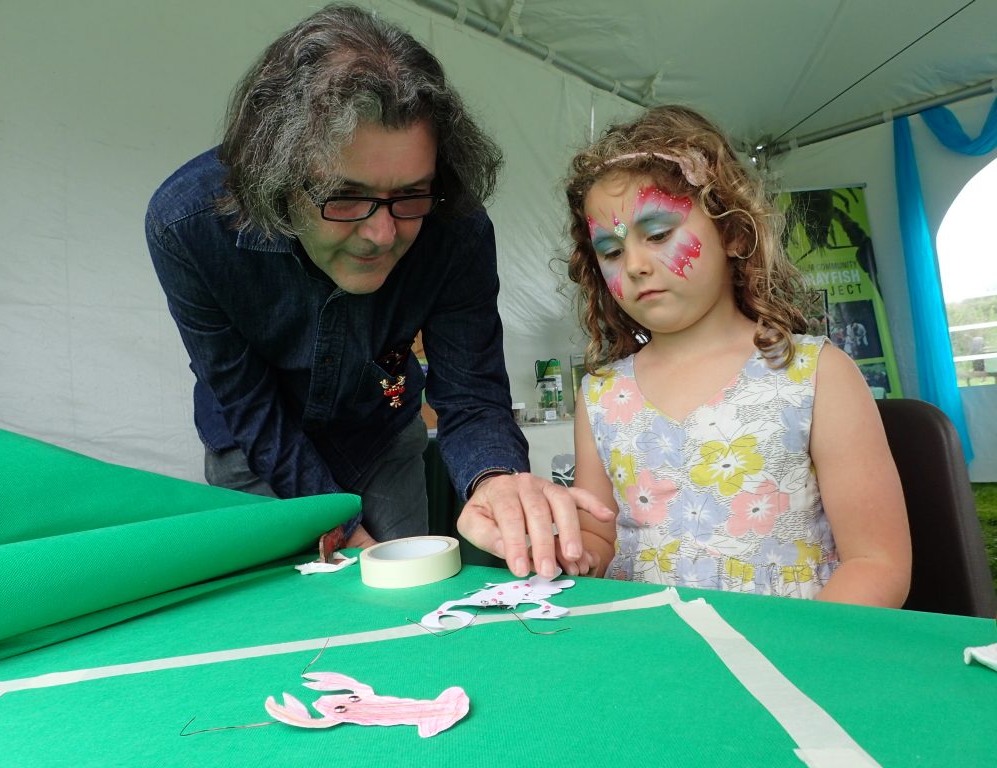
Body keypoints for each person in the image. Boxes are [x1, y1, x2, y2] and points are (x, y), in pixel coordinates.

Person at [146, 4, 611, 562]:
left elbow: (470, 392)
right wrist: (340, 527)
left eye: (411, 194)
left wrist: (495, 479)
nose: (382, 233)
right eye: (345, 196)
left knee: (406, 610)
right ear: (277, 181)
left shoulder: (455, 227)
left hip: (383, 435)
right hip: (254, 448)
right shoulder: (188, 226)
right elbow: (247, 403)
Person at [557, 105, 910, 606]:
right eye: (611, 250)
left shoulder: (816, 374)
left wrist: (794, 659)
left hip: (789, 656)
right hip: (654, 658)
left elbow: (878, 563)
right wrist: (568, 549)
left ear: (734, 233)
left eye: (657, 234)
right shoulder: (599, 395)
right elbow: (599, 539)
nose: (634, 264)